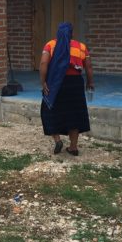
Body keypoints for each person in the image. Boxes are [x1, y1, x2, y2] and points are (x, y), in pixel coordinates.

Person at [40, 22, 94, 156]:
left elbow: (43, 63)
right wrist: (90, 82)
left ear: (58, 32)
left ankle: (58, 140)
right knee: (74, 114)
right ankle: (73, 147)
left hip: (56, 83)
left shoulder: (51, 45)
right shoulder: (81, 47)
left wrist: (43, 82)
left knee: (49, 110)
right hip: (75, 84)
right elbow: (88, 67)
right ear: (72, 33)